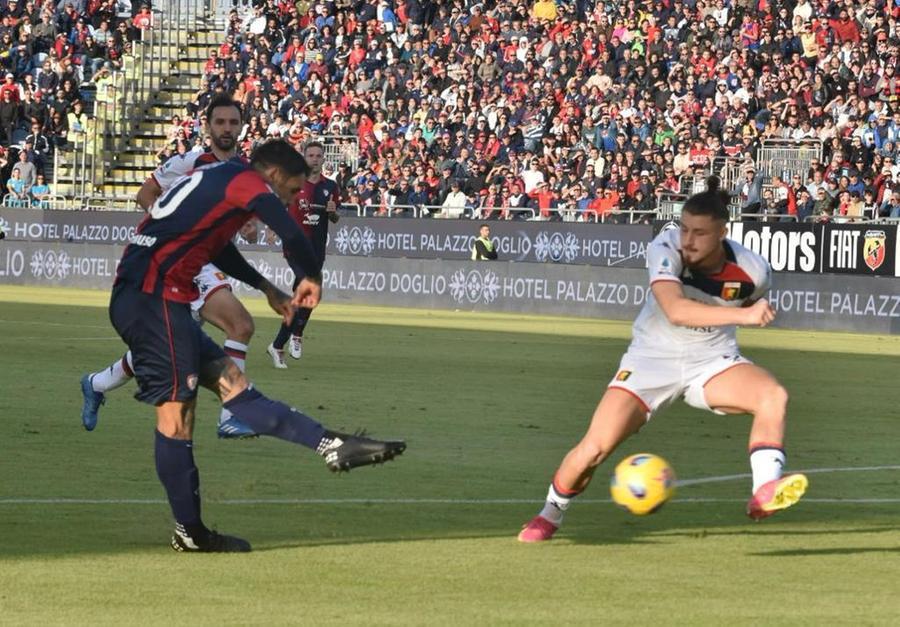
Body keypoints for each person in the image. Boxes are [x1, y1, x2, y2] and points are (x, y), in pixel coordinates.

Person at [107, 138, 406, 553]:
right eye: (291, 190)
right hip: (150, 298)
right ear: (275, 175)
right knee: (177, 415)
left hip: (156, 298)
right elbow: (291, 233)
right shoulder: (249, 182)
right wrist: (310, 278)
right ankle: (189, 532)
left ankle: (331, 444)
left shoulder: (221, 177)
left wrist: (266, 287)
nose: (291, 199)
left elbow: (220, 250)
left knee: (232, 383)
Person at [518, 177, 808, 543]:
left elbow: (748, 302)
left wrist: (748, 314)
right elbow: (675, 310)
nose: (687, 240)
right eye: (685, 228)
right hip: (650, 360)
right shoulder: (665, 248)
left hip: (712, 361)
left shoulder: (755, 271)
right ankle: (551, 513)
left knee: (773, 396)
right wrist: (744, 317)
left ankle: (765, 492)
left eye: (699, 233)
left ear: (722, 233)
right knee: (594, 448)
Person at [80, 96, 259, 439]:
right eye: (220, 122)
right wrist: (167, 226)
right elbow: (145, 193)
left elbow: (245, 225)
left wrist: (250, 227)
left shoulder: (244, 174)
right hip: (170, 262)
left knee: (225, 330)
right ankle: (234, 412)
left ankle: (96, 383)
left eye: (233, 123)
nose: (226, 129)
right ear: (208, 127)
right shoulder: (189, 161)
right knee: (234, 326)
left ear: (241, 127)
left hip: (202, 264)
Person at [266, 140, 340, 367]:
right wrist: (271, 227)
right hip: (295, 246)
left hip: (317, 249)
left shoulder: (331, 186)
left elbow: (335, 217)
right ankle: (287, 340)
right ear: (304, 158)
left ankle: (283, 342)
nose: (315, 159)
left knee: (310, 296)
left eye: (319, 155)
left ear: (323, 159)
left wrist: (333, 212)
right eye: (311, 155)